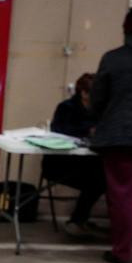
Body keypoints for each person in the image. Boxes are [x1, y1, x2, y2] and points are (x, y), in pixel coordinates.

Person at [90, 5, 132, 263]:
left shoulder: (113, 58)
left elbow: (97, 99)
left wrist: (99, 118)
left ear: (126, 28)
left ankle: (122, 252)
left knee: (123, 195)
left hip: (120, 136)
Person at [42, 72, 106, 237]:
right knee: (97, 180)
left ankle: (79, 220)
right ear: (84, 93)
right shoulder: (66, 108)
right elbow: (58, 132)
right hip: (62, 164)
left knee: (103, 177)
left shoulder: (100, 110)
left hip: (87, 162)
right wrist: (87, 131)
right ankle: (77, 220)